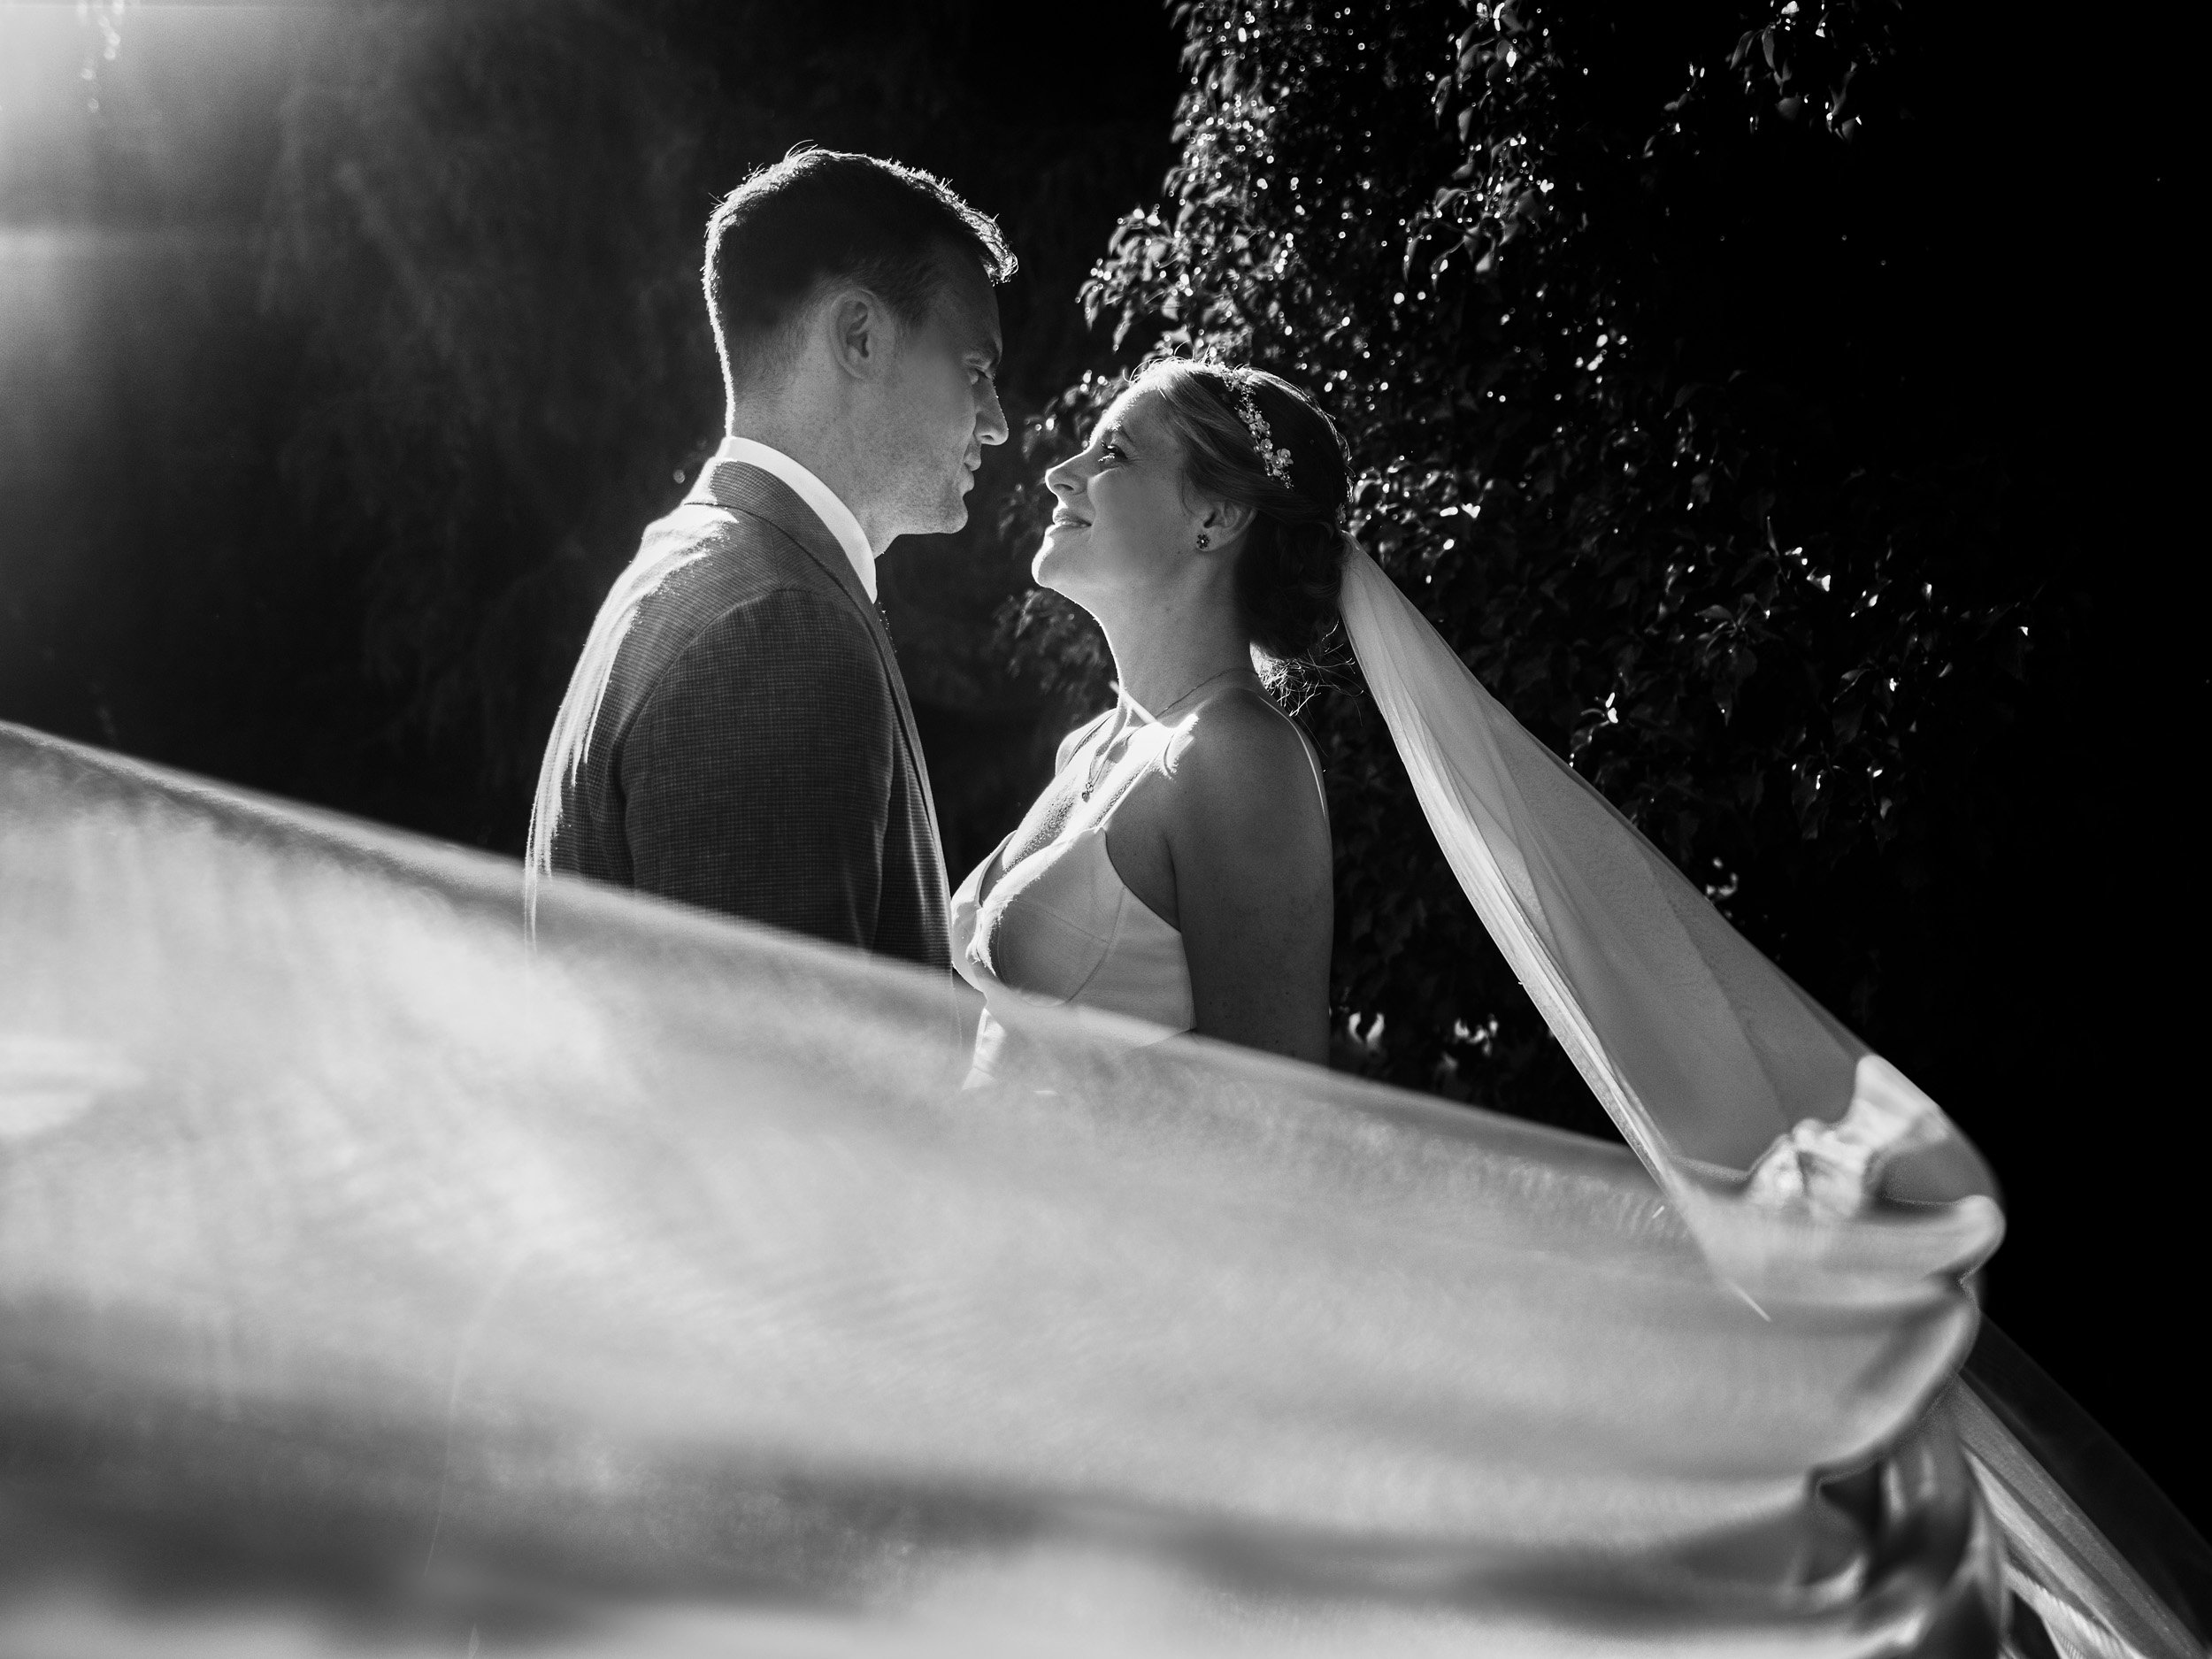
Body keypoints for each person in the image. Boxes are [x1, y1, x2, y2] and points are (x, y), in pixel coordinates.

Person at [526, 150, 1013, 972]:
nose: (995, 422)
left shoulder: (698, 565)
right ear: (860, 335)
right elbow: (787, 1089)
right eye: (976, 370)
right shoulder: (776, 629)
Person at [951, 360, 1341, 1078]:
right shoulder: (1087, 747)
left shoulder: (1236, 757)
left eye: (1114, 454)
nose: (1059, 475)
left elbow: (1269, 1117)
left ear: (1218, 515)